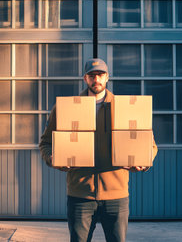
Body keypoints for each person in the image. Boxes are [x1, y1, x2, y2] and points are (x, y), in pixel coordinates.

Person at [39, 58, 158, 242]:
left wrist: (143, 163)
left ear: (107, 77)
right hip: (80, 195)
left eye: (100, 75)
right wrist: (53, 159)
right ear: (85, 79)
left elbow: (149, 144)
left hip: (116, 196)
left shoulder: (125, 108)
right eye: (92, 76)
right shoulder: (66, 108)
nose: (96, 80)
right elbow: (45, 143)